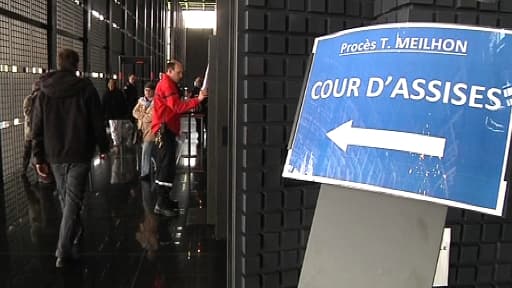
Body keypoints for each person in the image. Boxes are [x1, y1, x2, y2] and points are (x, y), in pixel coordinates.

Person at [31, 48, 109, 268]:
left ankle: (73, 232)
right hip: (80, 152)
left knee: (67, 198)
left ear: (58, 62)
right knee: (72, 200)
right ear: (76, 64)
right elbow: (97, 122)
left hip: (54, 154)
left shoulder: (44, 90)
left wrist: (38, 158)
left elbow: (36, 127)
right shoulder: (86, 89)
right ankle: (63, 250)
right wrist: (103, 147)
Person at [151, 60, 207, 216]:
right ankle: (161, 203)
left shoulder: (166, 84)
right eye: (179, 72)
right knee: (166, 166)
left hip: (165, 128)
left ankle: (164, 200)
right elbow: (176, 106)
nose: (181, 75)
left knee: (167, 165)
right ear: (170, 71)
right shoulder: (167, 85)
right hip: (164, 129)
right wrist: (198, 100)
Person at [133, 82, 156, 181]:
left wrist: (141, 117)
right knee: (148, 152)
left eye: (149, 90)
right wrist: (143, 117)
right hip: (141, 130)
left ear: (153, 91)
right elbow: (134, 112)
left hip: (151, 131)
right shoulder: (141, 101)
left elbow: (152, 117)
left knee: (145, 152)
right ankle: (156, 166)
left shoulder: (156, 102)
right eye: (145, 90)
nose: (147, 92)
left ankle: (144, 173)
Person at [102, 79, 130, 153]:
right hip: (111, 116)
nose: (111, 86)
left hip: (118, 115)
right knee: (114, 130)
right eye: (110, 84)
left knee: (118, 130)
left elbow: (123, 103)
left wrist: (125, 112)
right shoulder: (106, 94)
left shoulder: (119, 93)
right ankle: (116, 143)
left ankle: (118, 143)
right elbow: (103, 105)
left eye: (112, 84)